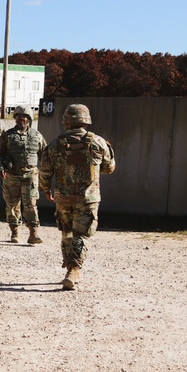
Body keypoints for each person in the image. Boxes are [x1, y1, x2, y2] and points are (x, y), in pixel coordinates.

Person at [38, 104, 116, 290]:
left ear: (66, 122)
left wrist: (45, 189)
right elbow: (109, 168)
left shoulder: (56, 144)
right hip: (87, 198)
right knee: (81, 234)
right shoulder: (98, 142)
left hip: (63, 198)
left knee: (67, 233)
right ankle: (73, 270)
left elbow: (45, 171)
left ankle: (69, 266)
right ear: (86, 121)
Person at [0, 105, 46, 244]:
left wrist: (47, 172)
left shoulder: (37, 136)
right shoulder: (8, 136)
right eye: (18, 116)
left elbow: (44, 155)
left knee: (30, 204)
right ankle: (14, 231)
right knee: (12, 204)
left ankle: (33, 233)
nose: (21, 119)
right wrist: (0, 168)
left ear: (29, 119)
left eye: (24, 117)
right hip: (12, 175)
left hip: (30, 174)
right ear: (15, 118)